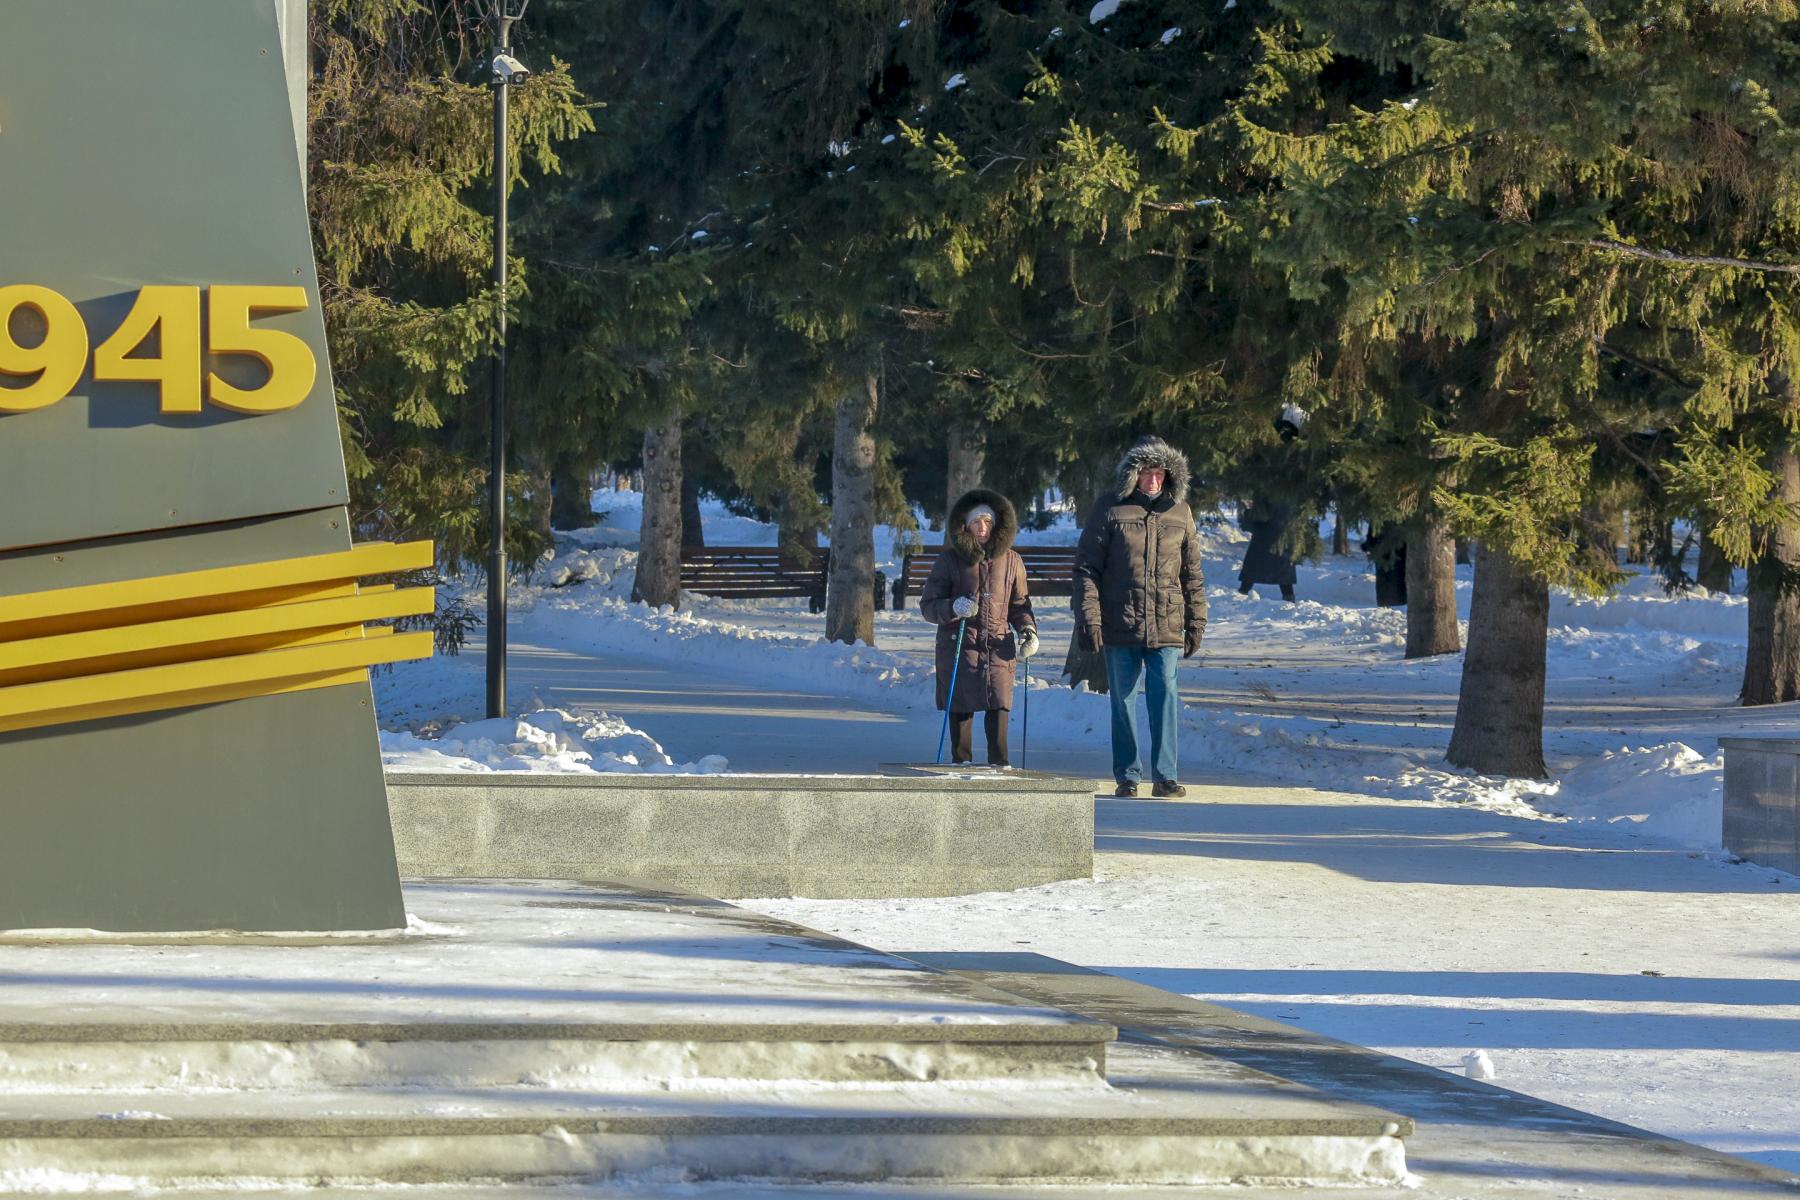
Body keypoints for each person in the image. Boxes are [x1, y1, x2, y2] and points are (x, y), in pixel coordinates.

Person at [1073, 436, 1206, 798]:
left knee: (1165, 697)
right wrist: (1090, 619)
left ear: (1168, 475)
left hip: (1167, 624)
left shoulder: (1180, 513)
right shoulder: (1110, 508)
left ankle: (1166, 776)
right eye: (1146, 473)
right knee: (1124, 701)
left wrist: (1196, 622)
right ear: (1134, 474)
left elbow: (1191, 574)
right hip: (1121, 622)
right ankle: (1127, 775)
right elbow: (1087, 569)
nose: (1152, 481)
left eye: (1159, 473)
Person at [920, 488, 1039, 766]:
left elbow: (1019, 605)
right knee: (961, 708)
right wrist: (953, 607)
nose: (982, 528)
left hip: (998, 647)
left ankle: (1001, 767)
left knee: (999, 706)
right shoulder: (949, 560)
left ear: (997, 524)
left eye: (987, 522)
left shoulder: (1012, 561)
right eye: (976, 522)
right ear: (966, 525)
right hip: (959, 648)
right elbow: (929, 605)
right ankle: (960, 765)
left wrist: (1027, 630)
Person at [1237, 496, 1298, 602]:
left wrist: (1246, 513)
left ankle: (1241, 594)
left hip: (1263, 536)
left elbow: (1257, 518)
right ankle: (1289, 598)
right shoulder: (1291, 490)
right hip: (1284, 535)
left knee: (1252, 568)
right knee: (1283, 569)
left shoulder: (1264, 489)